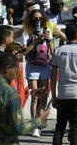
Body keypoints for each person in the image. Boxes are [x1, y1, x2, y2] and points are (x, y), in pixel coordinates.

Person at [0, 53, 51, 144]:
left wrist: (29, 92)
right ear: (7, 69)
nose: (17, 74)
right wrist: (39, 120)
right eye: (16, 69)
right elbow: (19, 128)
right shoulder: (11, 94)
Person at [51, 24, 77, 145]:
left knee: (60, 128)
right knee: (76, 129)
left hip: (63, 94)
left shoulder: (58, 51)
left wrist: (54, 96)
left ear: (66, 35)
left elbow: (53, 77)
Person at [21, 9, 53, 137]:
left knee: (44, 97)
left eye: (40, 18)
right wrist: (37, 40)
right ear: (30, 19)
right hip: (33, 66)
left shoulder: (47, 31)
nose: (38, 21)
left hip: (45, 66)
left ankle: (39, 123)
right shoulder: (26, 33)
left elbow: (51, 51)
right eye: (35, 18)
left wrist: (48, 40)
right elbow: (25, 52)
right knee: (35, 96)